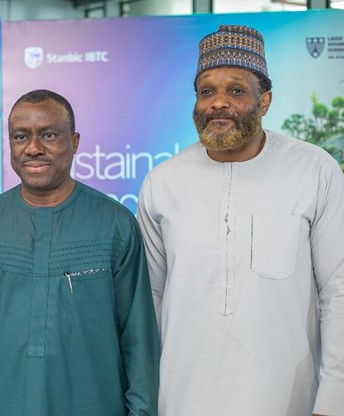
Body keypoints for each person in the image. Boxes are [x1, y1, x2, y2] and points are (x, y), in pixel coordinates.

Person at [137, 25, 344, 416]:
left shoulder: (315, 170)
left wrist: (333, 401)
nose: (218, 103)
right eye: (206, 91)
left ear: (264, 101)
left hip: (289, 400)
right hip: (180, 399)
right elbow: (150, 303)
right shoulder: (162, 183)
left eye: (235, 90)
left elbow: (339, 290)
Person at [0, 89, 159, 415]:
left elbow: (138, 341)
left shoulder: (115, 225)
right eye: (20, 136)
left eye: (49, 135)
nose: (33, 148)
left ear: (75, 141)